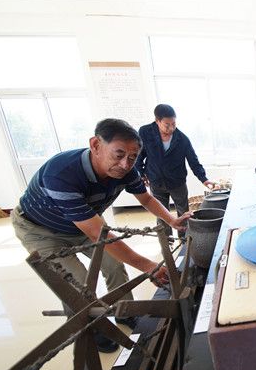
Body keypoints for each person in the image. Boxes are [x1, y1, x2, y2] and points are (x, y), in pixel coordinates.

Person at [11, 118, 190, 353]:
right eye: (119, 154)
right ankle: (91, 329)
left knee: (114, 264)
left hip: (86, 221)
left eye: (132, 157)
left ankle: (126, 311)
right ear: (96, 145)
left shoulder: (126, 170)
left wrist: (172, 220)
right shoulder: (61, 173)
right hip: (42, 231)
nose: (125, 164)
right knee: (77, 284)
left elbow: (146, 198)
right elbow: (96, 233)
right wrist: (148, 266)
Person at [136, 104, 215, 237]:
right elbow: (139, 154)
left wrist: (204, 179)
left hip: (177, 183)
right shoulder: (145, 132)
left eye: (174, 124)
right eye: (167, 125)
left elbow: (193, 161)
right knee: (161, 214)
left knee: (183, 212)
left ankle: (184, 240)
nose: (171, 128)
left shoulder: (182, 139)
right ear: (157, 121)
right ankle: (167, 241)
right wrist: (141, 173)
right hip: (156, 181)